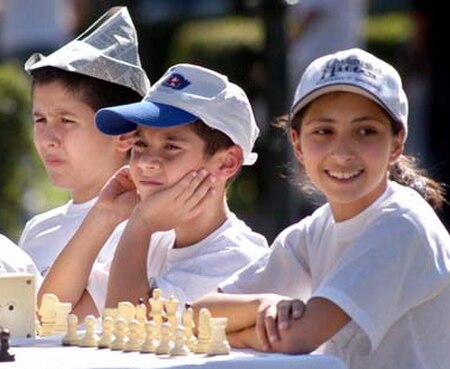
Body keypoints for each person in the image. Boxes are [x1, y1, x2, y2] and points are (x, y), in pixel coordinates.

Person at [191, 48, 450, 369]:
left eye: (365, 131)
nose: (342, 152)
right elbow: (197, 315)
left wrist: (234, 335)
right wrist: (263, 303)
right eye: (324, 131)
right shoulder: (317, 228)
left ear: (396, 143)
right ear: (297, 144)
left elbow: (297, 338)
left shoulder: (403, 222)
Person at [37, 63, 269, 319]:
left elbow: (125, 330)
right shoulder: (154, 240)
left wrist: (141, 223)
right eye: (141, 144)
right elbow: (50, 314)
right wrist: (102, 216)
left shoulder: (238, 259)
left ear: (227, 162)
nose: (146, 162)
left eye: (171, 147)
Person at [18, 6, 150, 276]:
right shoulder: (37, 231)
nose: (47, 140)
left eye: (66, 121)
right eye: (40, 120)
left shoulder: (150, 230)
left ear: (123, 133)